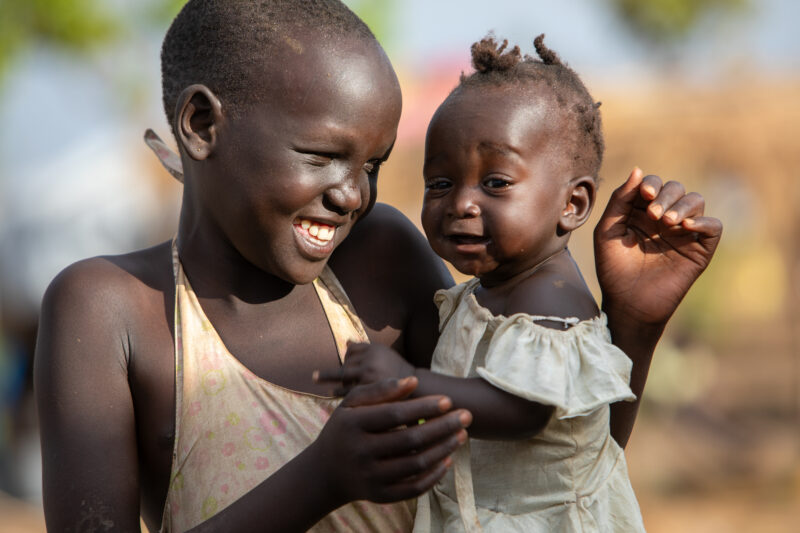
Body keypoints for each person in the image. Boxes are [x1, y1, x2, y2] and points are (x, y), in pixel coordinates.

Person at [33, 1, 721, 532]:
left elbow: (557, 465)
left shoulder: (381, 261)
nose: (353, 193)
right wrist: (321, 479)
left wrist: (631, 324)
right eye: (321, 156)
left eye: (373, 165)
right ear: (203, 125)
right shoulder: (109, 309)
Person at [316, 35, 722, 532]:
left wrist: (407, 381)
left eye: (496, 183)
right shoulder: (488, 292)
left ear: (572, 205)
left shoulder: (551, 301)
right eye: (440, 183)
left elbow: (523, 409)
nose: (461, 203)